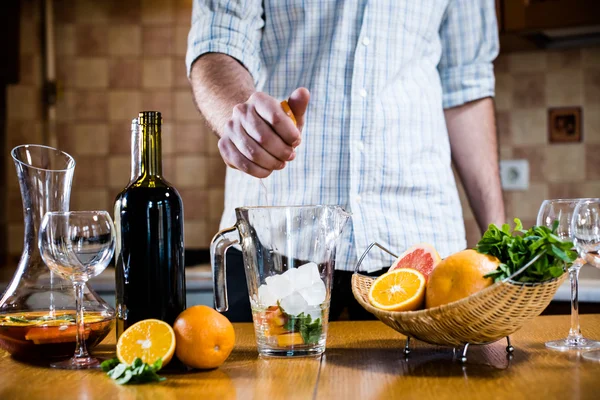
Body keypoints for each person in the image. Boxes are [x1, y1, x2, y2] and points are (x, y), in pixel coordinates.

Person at [186, 0, 505, 321]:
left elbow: (467, 85)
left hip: (418, 245)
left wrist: (500, 248)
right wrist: (241, 119)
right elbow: (219, 39)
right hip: (275, 247)